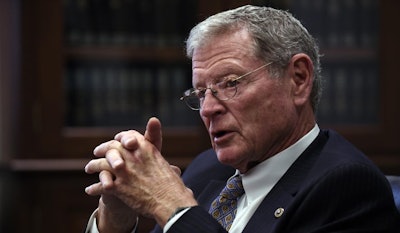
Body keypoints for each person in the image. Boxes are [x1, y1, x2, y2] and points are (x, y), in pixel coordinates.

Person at [84, 5, 400, 233]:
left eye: (231, 83)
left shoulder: (347, 187)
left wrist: (174, 207)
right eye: (201, 92)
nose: (207, 110)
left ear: (299, 79)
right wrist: (116, 220)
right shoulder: (207, 168)